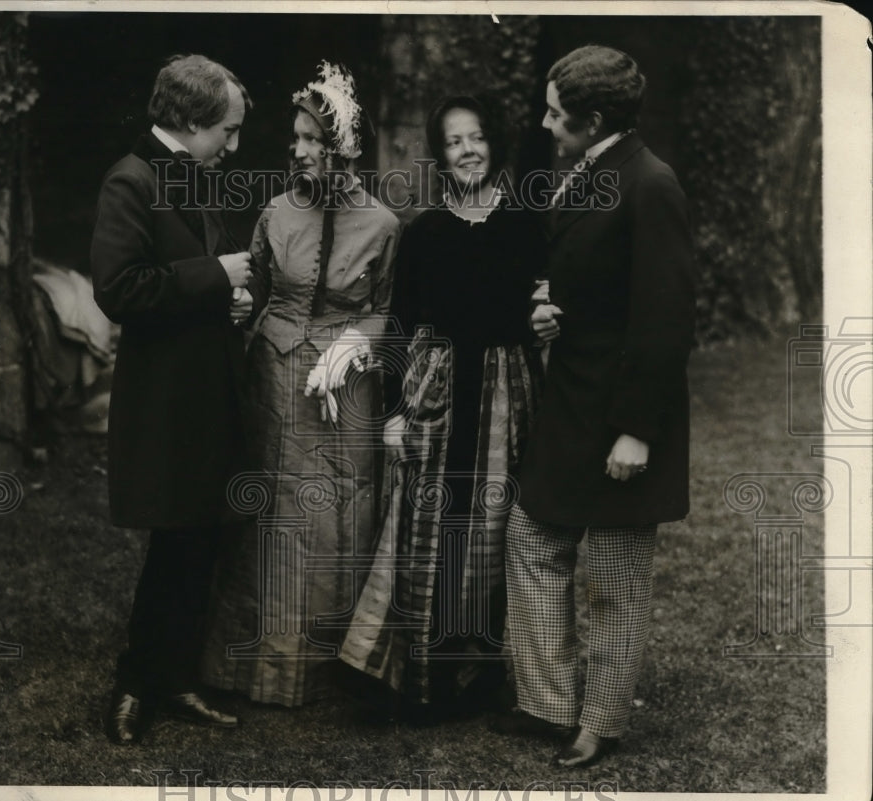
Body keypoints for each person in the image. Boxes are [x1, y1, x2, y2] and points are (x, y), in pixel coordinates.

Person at [493, 45, 695, 768]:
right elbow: (586, 270)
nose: (547, 125)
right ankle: (547, 704)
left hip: (624, 416)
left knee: (613, 573)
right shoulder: (589, 169)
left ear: (595, 119)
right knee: (533, 537)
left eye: (556, 113)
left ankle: (600, 722)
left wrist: (637, 431)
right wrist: (550, 309)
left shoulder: (651, 183)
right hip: (572, 399)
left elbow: (666, 321)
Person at [201, 62, 400, 707]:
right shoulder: (276, 213)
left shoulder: (383, 225)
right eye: (297, 138)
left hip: (344, 391)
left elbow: (389, 308)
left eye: (314, 140)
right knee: (266, 510)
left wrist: (356, 343)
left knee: (336, 513)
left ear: (344, 149)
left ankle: (329, 671)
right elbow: (254, 286)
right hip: (274, 379)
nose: (300, 150)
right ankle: (247, 668)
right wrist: (240, 303)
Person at [339, 95, 544, 722]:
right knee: (427, 528)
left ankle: (479, 673)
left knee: (490, 530)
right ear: (441, 153)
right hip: (435, 391)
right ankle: (419, 675)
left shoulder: (527, 223)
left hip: (505, 394)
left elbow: (546, 316)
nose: (468, 151)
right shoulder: (424, 231)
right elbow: (400, 324)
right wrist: (397, 410)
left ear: (494, 145)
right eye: (454, 142)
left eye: (477, 138)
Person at [90, 54, 261, 745]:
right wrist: (214, 275)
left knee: (199, 539)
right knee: (173, 542)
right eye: (228, 129)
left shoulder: (195, 173)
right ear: (189, 123)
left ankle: (175, 675)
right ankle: (133, 685)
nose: (235, 144)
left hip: (208, 391)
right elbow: (121, 288)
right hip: (165, 402)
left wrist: (230, 299)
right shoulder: (129, 181)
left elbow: (184, 282)